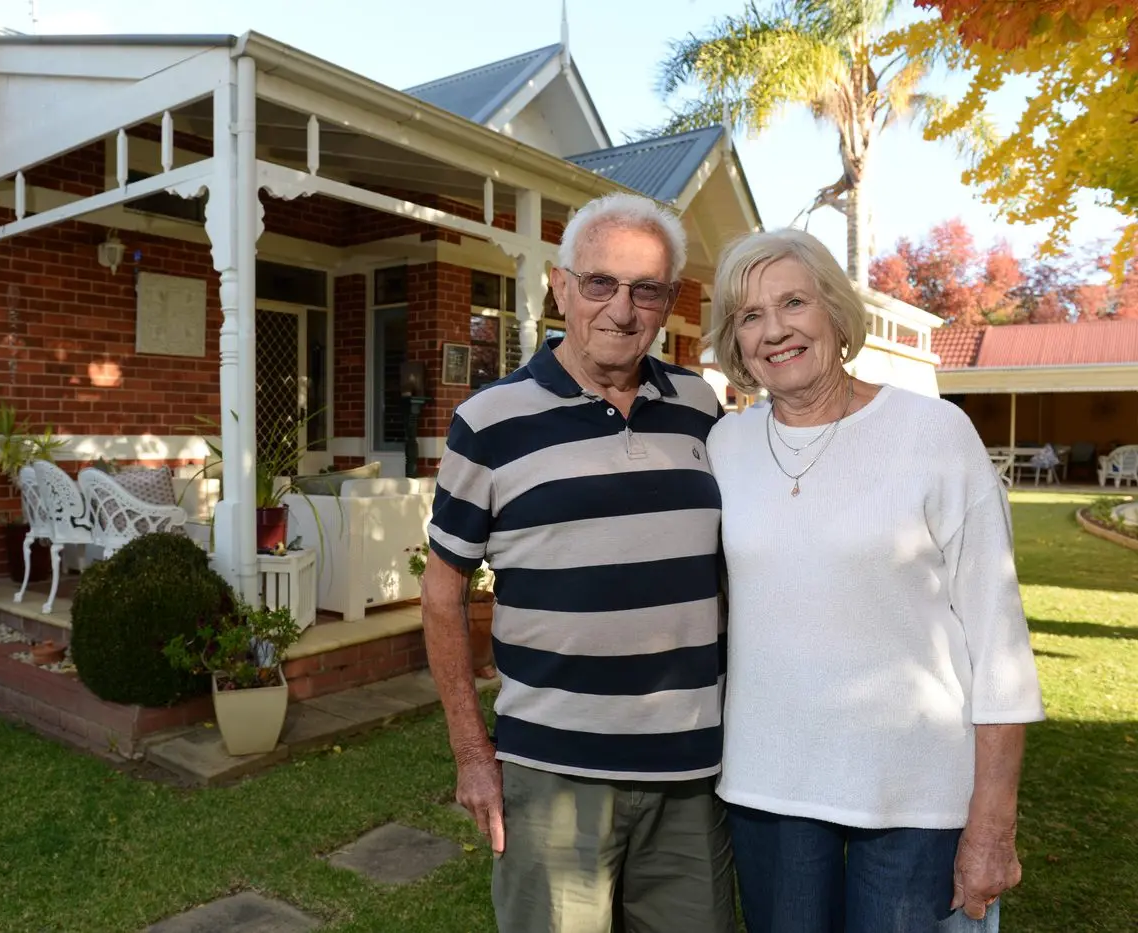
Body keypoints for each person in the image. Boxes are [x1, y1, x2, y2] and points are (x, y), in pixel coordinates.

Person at [704, 228, 1045, 933]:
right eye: (749, 315)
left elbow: (999, 643)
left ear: (833, 310)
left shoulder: (934, 433)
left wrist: (994, 818)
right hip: (770, 791)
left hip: (916, 800)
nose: (775, 330)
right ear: (735, 342)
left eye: (793, 302)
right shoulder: (725, 446)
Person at [423, 192, 736, 933]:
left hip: (692, 774)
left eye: (646, 290)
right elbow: (441, 597)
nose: (622, 310)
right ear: (560, 287)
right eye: (600, 283)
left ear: (667, 302)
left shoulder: (700, 408)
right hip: (554, 778)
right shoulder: (489, 422)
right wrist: (472, 752)